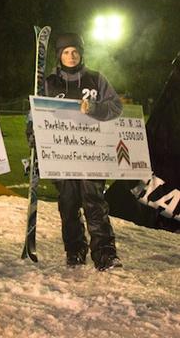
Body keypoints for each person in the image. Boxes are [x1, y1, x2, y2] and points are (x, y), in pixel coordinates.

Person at [45, 32, 123, 271]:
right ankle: (75, 250)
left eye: (75, 51)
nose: (71, 56)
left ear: (81, 53)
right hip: (63, 155)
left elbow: (116, 106)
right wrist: (32, 132)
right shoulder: (49, 82)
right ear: (59, 56)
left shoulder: (95, 79)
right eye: (66, 52)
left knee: (94, 203)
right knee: (68, 205)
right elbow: (38, 113)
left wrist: (95, 108)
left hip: (92, 154)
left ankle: (105, 253)